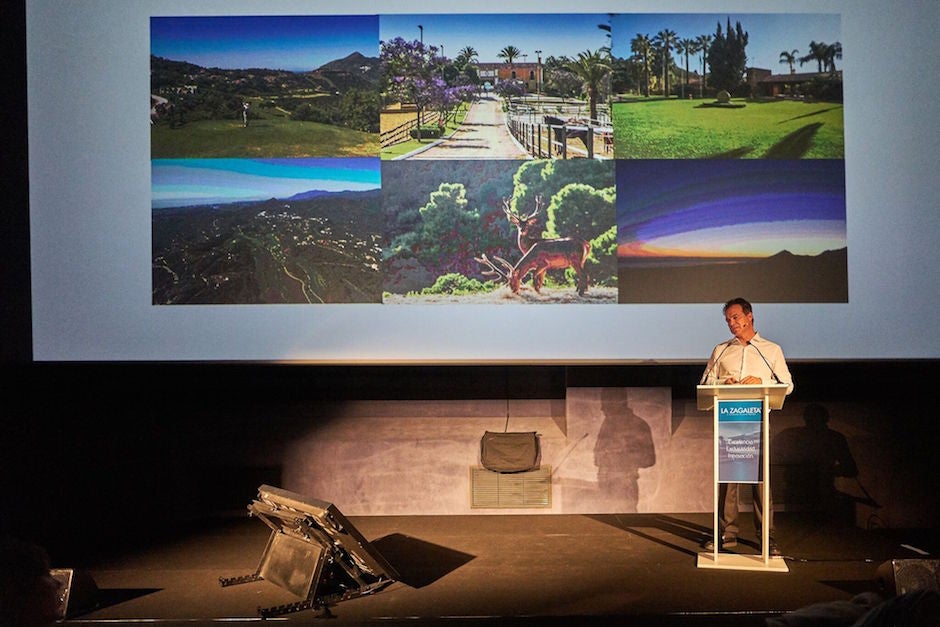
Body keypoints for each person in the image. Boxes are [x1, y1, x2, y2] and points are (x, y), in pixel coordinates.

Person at [700, 297, 793, 556]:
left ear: (749, 316)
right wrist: (722, 382)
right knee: (727, 481)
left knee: (761, 481)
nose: (732, 323)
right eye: (728, 320)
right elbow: (705, 383)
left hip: (757, 422)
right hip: (729, 421)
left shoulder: (770, 349)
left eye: (736, 317)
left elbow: (788, 384)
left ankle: (766, 538)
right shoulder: (721, 350)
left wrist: (762, 380)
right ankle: (726, 536)